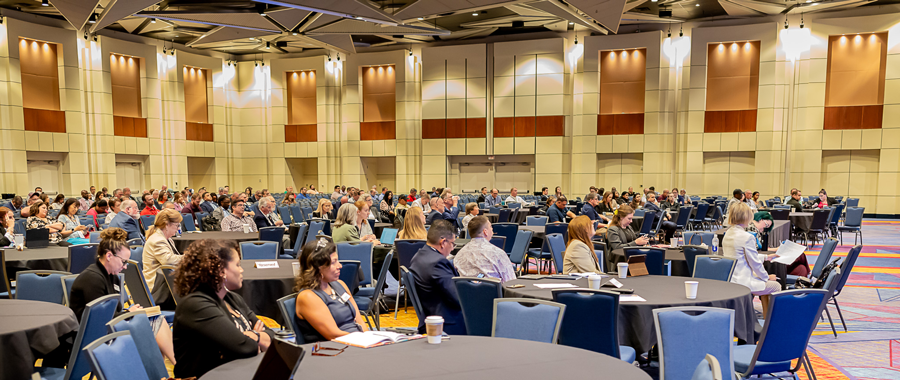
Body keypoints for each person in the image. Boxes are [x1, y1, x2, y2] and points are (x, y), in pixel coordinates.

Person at [69, 227, 176, 364]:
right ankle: (178, 369)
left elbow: (113, 312)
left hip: (107, 329)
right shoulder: (92, 278)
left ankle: (167, 373)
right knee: (154, 326)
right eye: (124, 262)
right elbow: (101, 319)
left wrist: (129, 313)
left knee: (155, 323)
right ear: (109, 256)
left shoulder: (111, 275)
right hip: (93, 337)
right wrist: (129, 313)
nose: (125, 267)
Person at [173, 239, 272, 378]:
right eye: (237, 265)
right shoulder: (196, 305)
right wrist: (255, 340)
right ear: (221, 270)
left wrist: (254, 335)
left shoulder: (232, 299)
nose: (241, 270)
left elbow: (271, 337)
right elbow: (245, 347)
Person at [293, 239, 368, 342]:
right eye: (334, 262)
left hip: (357, 341)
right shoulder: (308, 297)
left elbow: (360, 321)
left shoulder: (340, 284)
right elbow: (333, 335)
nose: (340, 266)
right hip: (334, 349)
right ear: (318, 268)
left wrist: (368, 338)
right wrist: (364, 340)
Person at [722, 203, 781, 316]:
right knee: (776, 286)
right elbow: (755, 264)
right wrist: (767, 277)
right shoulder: (747, 237)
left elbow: (741, 256)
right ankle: (771, 321)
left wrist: (766, 257)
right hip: (743, 282)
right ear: (746, 217)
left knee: (765, 283)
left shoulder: (728, 233)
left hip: (730, 279)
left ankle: (764, 315)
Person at [409, 220, 464, 335]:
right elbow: (459, 299)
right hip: (448, 321)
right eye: (453, 244)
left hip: (431, 314)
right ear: (443, 242)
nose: (453, 248)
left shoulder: (418, 255)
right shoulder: (438, 262)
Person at [452, 216, 515, 282]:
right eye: (490, 226)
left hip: (465, 292)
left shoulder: (459, 255)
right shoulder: (498, 253)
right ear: (485, 232)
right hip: (492, 291)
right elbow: (511, 283)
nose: (492, 229)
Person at [143, 209, 184, 299]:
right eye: (177, 225)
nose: (178, 229)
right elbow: (168, 260)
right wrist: (189, 256)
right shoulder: (158, 240)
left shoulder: (166, 238)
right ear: (166, 225)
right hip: (157, 289)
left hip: (163, 283)